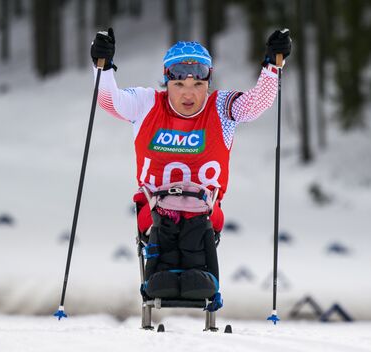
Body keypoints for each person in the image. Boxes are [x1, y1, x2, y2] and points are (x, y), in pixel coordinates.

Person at [90, 28, 291, 311]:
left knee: (197, 225)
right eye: (179, 86)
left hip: (205, 212)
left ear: (208, 82)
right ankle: (161, 280)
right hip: (154, 209)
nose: (189, 95)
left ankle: (202, 282)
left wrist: (272, 66)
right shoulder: (147, 102)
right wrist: (104, 67)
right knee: (165, 226)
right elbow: (110, 101)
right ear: (166, 82)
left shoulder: (221, 106)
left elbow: (255, 105)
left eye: (198, 85)